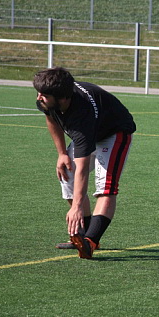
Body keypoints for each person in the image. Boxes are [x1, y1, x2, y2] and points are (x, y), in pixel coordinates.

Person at [33, 67, 136, 259]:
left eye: (44, 95)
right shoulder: (50, 98)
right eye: (38, 92)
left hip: (114, 133)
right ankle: (82, 236)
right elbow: (51, 117)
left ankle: (91, 241)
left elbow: (82, 167)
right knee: (67, 176)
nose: (39, 97)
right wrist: (62, 153)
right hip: (92, 132)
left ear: (63, 98)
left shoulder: (82, 116)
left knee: (106, 187)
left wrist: (77, 206)